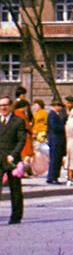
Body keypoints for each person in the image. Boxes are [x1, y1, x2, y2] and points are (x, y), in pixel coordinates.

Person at [0, 96, 27, 224]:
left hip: (12, 159)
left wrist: (14, 154)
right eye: (1, 105)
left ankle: (16, 216)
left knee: (15, 189)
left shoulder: (18, 121)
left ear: (10, 106)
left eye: (5, 105)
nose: (3, 108)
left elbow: (21, 140)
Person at [46, 99, 66, 185]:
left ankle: (53, 177)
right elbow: (54, 127)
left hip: (57, 140)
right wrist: (64, 127)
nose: (60, 108)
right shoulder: (52, 115)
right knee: (55, 159)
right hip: (55, 140)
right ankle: (53, 177)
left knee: (56, 159)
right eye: (59, 106)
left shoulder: (55, 114)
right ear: (55, 106)